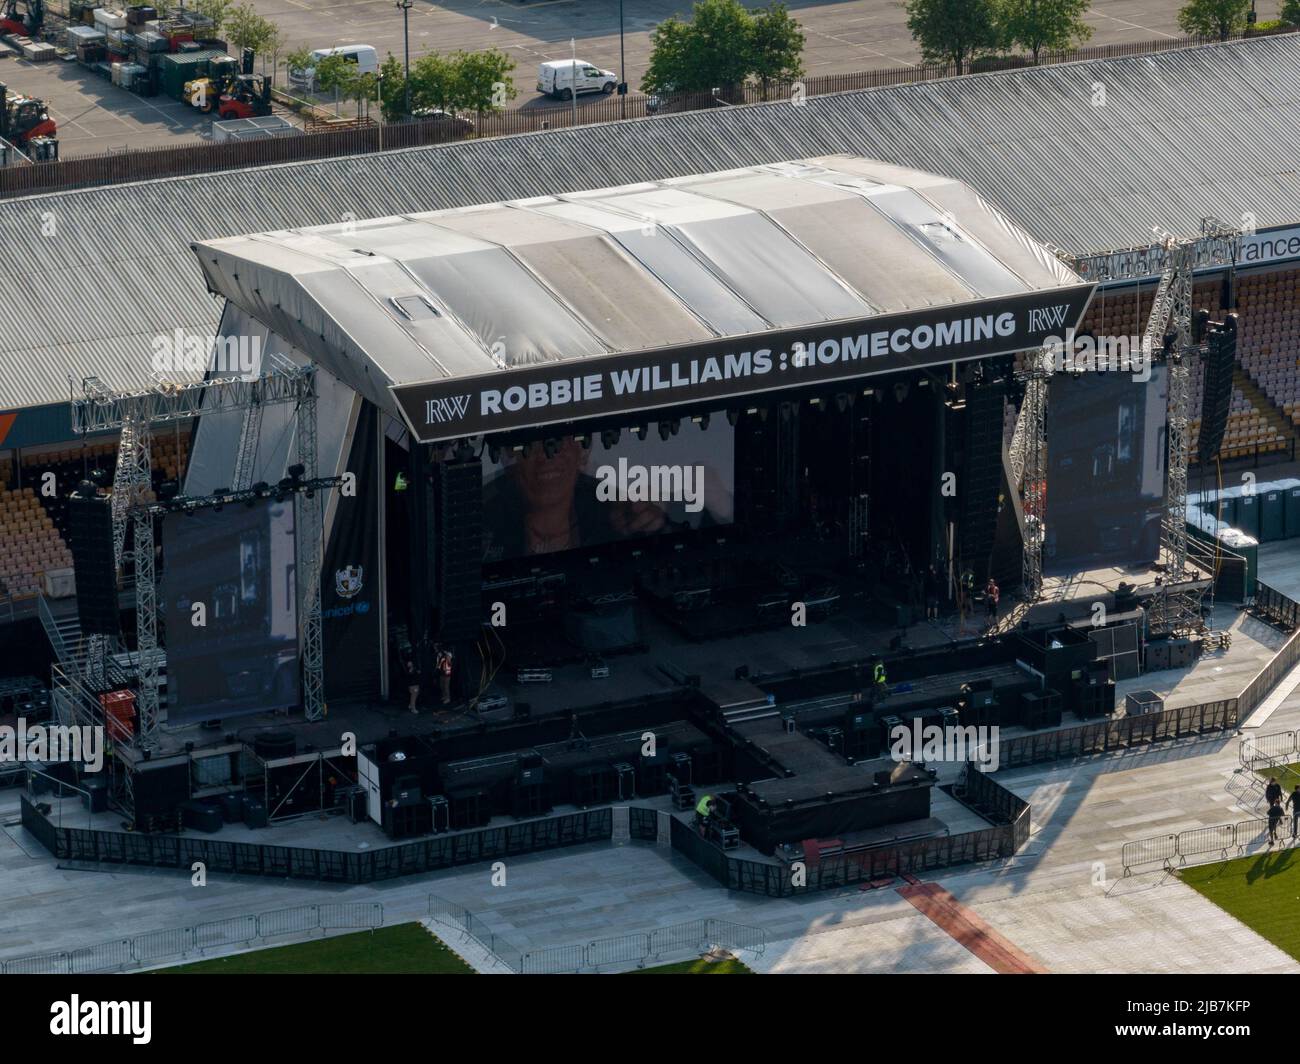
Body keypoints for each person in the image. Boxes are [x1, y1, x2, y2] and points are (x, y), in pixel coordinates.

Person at [402, 649, 420, 715]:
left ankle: (411, 705)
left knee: (417, 693)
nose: (410, 663)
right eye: (409, 663)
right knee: (414, 696)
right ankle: (413, 708)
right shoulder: (409, 670)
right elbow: (410, 676)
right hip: (413, 684)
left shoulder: (413, 668)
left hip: (415, 683)